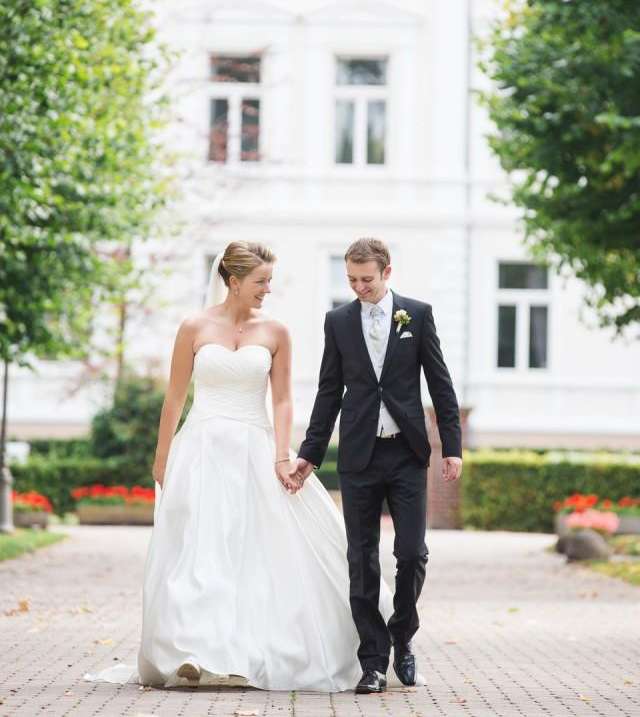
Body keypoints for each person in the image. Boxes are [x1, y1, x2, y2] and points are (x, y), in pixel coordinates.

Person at [86, 240, 391, 691]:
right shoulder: (193, 327)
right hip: (202, 449)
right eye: (261, 281)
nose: (268, 289)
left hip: (254, 446)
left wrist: (282, 454)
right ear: (233, 281)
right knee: (199, 552)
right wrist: (162, 456)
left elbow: (284, 398)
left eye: (270, 280)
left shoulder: (276, 332)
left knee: (252, 553)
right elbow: (174, 397)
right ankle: (192, 651)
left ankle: (245, 651)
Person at [290, 237, 463, 695]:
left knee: (411, 552)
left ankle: (402, 636)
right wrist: (309, 453)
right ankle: (372, 662)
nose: (358, 287)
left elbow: (441, 385)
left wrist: (452, 446)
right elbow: (329, 391)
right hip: (360, 455)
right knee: (361, 559)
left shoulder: (417, 315)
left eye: (366, 279)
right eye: (351, 279)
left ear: (388, 273)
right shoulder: (338, 322)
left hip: (407, 454)